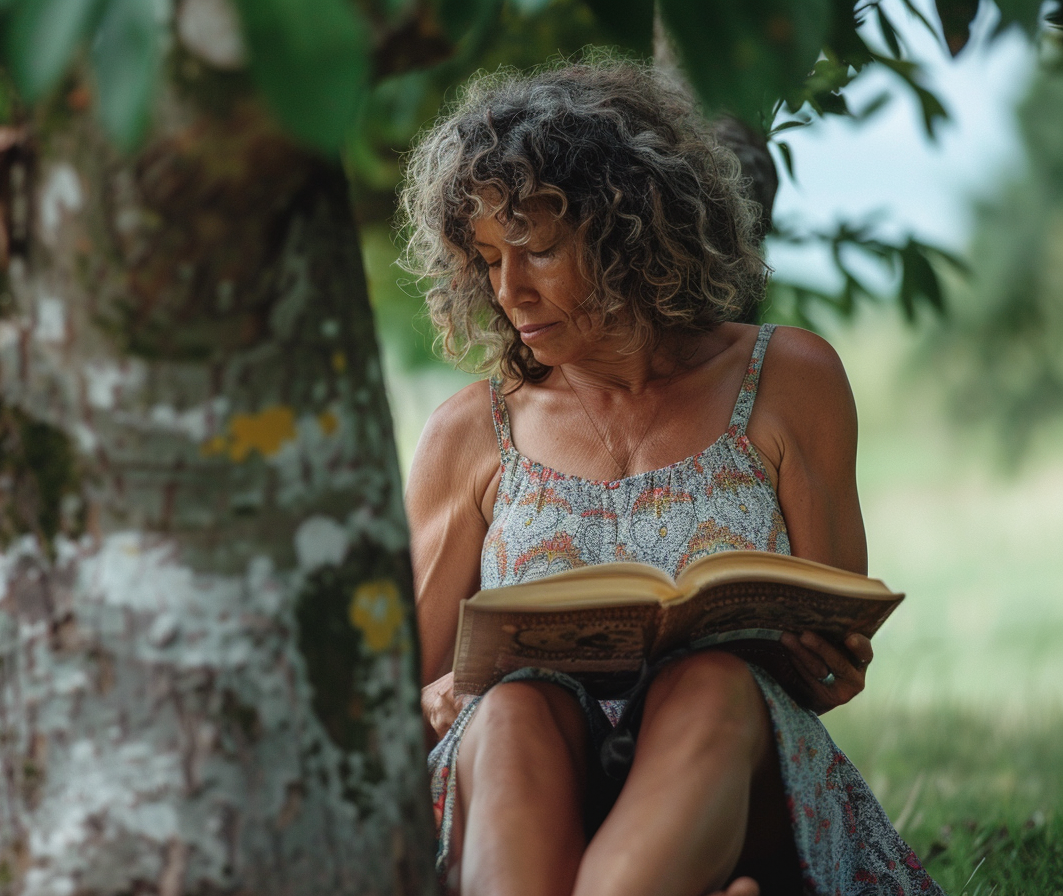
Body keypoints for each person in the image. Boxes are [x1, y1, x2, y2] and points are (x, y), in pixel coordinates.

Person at [397, 59, 945, 896]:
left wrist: (832, 665)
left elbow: (834, 643)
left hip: (725, 773)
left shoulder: (789, 379)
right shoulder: (471, 432)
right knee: (512, 706)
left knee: (713, 682)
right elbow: (393, 708)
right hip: (526, 779)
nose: (509, 291)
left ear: (628, 230)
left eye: (537, 250)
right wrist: (435, 699)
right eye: (488, 259)